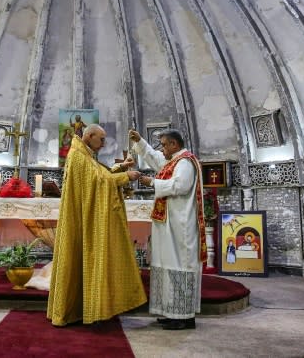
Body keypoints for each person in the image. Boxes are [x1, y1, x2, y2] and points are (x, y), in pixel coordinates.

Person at [47, 124, 146, 327]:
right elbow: (98, 181)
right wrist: (125, 177)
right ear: (90, 136)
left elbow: (99, 173)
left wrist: (120, 168)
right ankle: (72, 311)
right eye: (101, 140)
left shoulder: (84, 153)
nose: (103, 144)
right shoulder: (78, 155)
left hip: (81, 217)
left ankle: (81, 309)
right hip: (78, 220)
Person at [129, 127, 204, 330]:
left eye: (164, 145)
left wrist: (152, 182)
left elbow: (180, 186)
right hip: (169, 223)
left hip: (180, 225)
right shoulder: (174, 161)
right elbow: (155, 160)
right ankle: (172, 312)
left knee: (179, 266)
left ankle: (184, 317)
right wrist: (140, 142)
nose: (161, 149)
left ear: (174, 144)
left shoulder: (186, 162)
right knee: (166, 265)